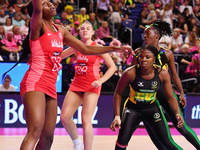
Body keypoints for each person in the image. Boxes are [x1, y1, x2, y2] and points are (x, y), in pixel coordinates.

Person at [3, 1, 132, 150]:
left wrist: (116, 48)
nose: (50, 4)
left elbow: (85, 48)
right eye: (45, 3)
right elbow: (37, 8)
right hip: (35, 81)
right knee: (35, 131)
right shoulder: (38, 26)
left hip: (51, 85)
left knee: (48, 138)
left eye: (50, 2)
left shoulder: (61, 30)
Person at [131, 20, 200, 150]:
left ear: (157, 36)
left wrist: (181, 94)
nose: (144, 36)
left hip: (166, 93)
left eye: (148, 33)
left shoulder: (167, 54)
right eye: (144, 34)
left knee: (182, 127)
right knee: (156, 135)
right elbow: (132, 75)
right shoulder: (140, 53)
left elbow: (174, 76)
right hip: (148, 97)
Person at [110, 45, 184, 150]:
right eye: (141, 57)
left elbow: (170, 97)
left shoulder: (162, 73)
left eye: (147, 57)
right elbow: (118, 93)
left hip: (151, 109)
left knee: (166, 141)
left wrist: (177, 113)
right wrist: (117, 116)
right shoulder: (130, 72)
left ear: (154, 59)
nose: (143, 59)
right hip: (133, 109)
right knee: (122, 141)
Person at [60, 20, 116, 150]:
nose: (84, 30)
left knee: (86, 119)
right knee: (65, 117)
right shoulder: (77, 46)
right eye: (82, 28)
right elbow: (60, 56)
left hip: (92, 85)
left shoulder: (97, 47)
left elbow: (112, 67)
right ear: (79, 32)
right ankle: (77, 143)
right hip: (77, 84)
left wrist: (101, 81)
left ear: (92, 32)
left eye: (87, 28)